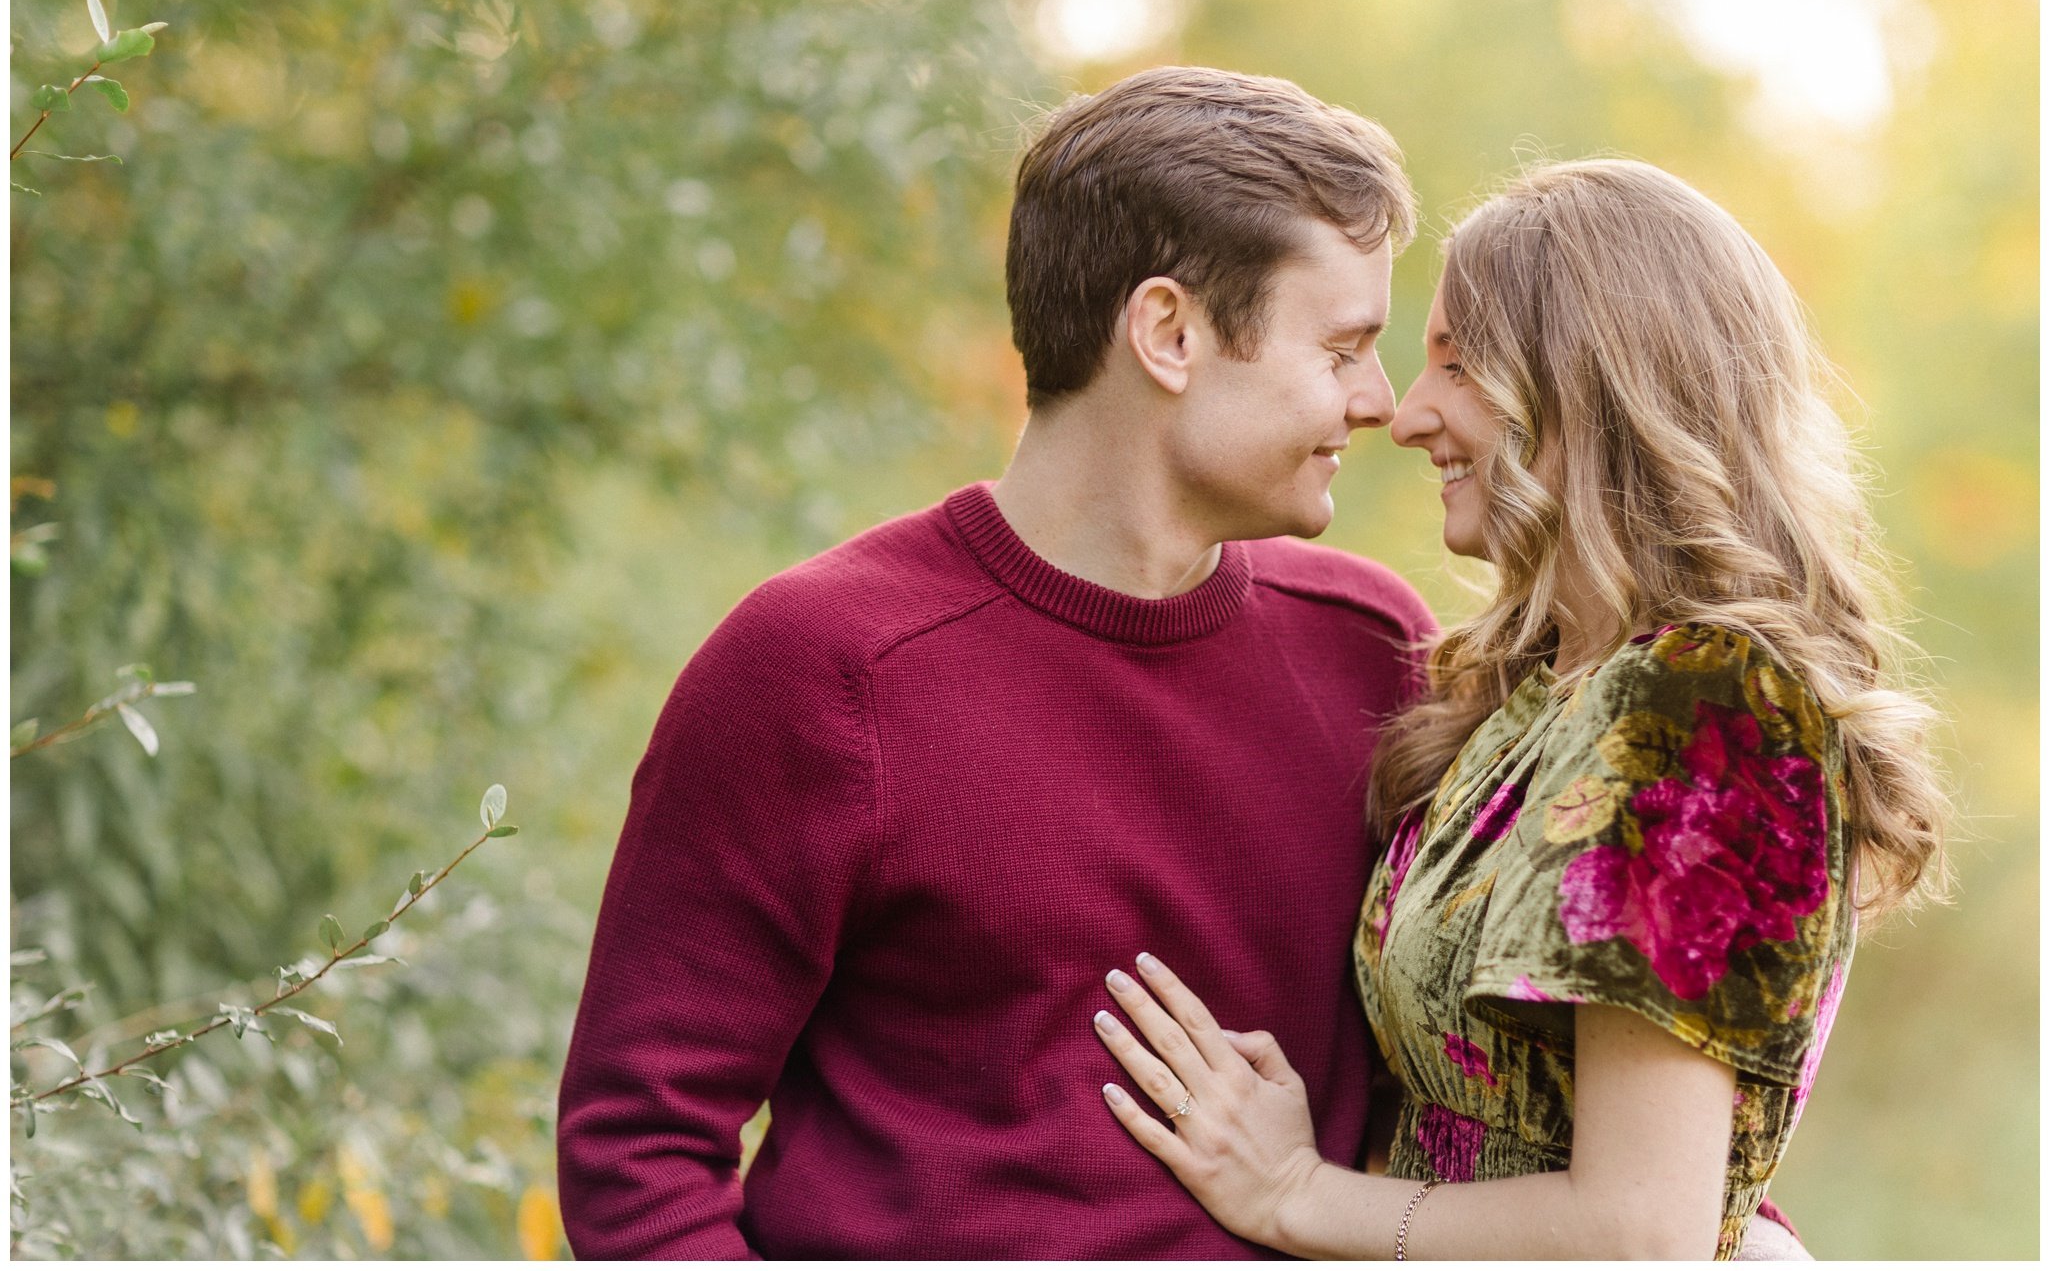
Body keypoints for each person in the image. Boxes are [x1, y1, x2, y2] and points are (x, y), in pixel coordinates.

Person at [555, 65, 1440, 1257]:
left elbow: (1491, 1089)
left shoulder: (1375, 654)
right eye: (1341, 348)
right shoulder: (820, 668)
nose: (1379, 401)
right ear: (1170, 333)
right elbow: (638, 1153)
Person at [1088, 159, 1951, 1260]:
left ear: (1584, 384)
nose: (1407, 413)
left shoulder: (1706, 701)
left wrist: (1297, 1195)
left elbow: (1641, 1231)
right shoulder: (1541, 689)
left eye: (1457, 364)